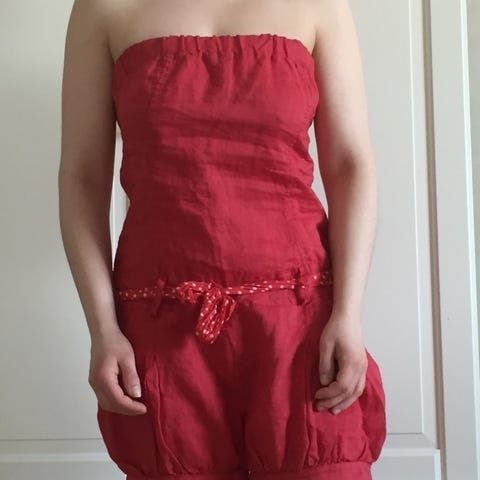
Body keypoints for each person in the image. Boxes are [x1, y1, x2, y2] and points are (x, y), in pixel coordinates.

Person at [58, 0, 387, 479]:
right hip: (161, 324)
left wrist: (349, 314)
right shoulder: (104, 7)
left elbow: (350, 164)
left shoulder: (318, 5)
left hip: (300, 325)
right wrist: (102, 330)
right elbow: (83, 177)